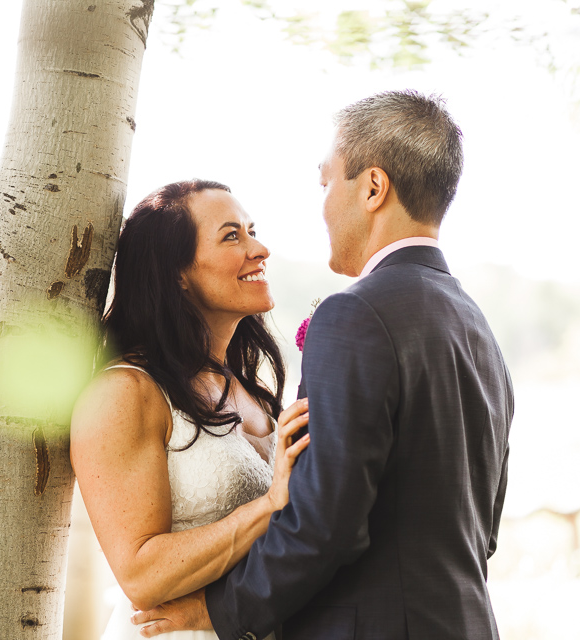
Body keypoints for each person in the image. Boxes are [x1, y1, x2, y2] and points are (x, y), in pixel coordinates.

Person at [131, 90, 515, 640]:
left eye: (327, 181)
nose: (323, 203)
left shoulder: (355, 313)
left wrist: (220, 611)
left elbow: (326, 521)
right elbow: (484, 525)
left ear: (373, 188)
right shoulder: (475, 325)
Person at [70, 179, 311, 640]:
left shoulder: (252, 393)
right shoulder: (125, 392)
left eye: (251, 230)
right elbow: (141, 576)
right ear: (176, 272)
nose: (259, 249)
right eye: (231, 236)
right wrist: (270, 505)